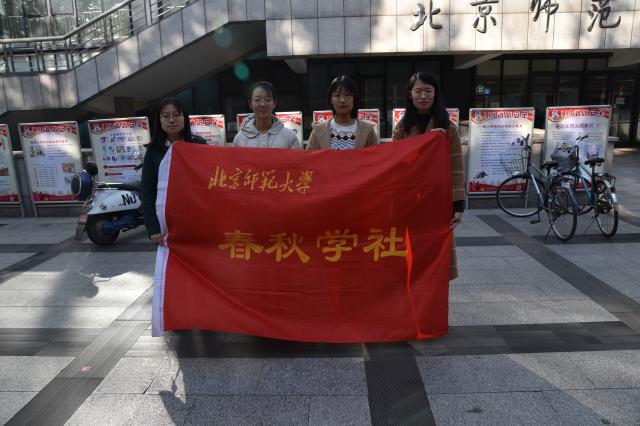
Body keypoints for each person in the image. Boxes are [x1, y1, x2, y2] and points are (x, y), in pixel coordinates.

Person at [392, 71, 465, 280]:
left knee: (438, 255)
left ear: (435, 93)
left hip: (439, 201)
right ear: (410, 94)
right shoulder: (402, 127)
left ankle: (436, 296)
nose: (423, 96)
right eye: (418, 91)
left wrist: (458, 206)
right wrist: (426, 144)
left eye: (428, 91)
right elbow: (396, 163)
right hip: (411, 201)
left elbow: (456, 167)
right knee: (413, 255)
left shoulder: (448, 128)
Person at [142, 98, 206, 245]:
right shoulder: (153, 151)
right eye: (166, 116)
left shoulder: (199, 145)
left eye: (176, 115)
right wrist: (153, 228)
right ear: (159, 120)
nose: (171, 120)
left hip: (195, 217)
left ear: (184, 117)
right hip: (165, 221)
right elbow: (147, 191)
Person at [306, 75, 379, 150]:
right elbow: (309, 156)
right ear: (330, 100)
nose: (342, 100)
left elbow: (376, 156)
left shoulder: (367, 130)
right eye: (337, 95)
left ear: (354, 98)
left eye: (347, 95)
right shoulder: (318, 131)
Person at [233, 81, 301, 149]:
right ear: (250, 104)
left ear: (274, 103)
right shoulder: (239, 139)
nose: (262, 104)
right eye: (257, 100)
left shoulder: (289, 137)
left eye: (267, 100)